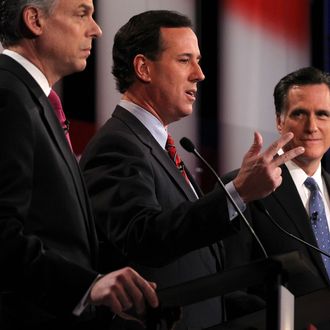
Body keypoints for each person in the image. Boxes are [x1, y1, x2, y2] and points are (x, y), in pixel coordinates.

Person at [79, 10, 304, 329]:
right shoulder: (118, 144)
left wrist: (287, 310)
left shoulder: (159, 146)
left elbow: (194, 269)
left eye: (198, 60)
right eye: (185, 60)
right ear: (143, 68)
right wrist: (238, 192)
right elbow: (145, 240)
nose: (199, 74)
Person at [0, 1, 159, 329]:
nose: (97, 29)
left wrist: (110, 286)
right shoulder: (8, 94)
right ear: (34, 20)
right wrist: (86, 286)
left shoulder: (31, 98)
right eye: (82, 13)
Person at [222, 67, 330, 326]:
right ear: (279, 121)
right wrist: (289, 321)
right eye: (299, 113)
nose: (312, 126)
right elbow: (227, 287)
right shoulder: (243, 188)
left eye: (323, 114)